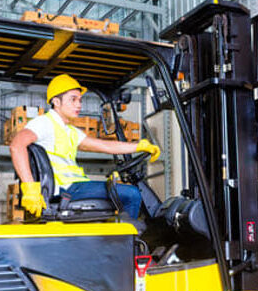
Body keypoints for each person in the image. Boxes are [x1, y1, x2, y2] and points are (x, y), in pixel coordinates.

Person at [10, 73, 160, 220]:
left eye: (80, 100)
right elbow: (17, 145)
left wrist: (139, 146)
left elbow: (104, 145)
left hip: (74, 186)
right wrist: (30, 189)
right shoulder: (44, 123)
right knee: (132, 194)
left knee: (121, 195)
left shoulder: (68, 130)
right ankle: (129, 241)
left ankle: (118, 238)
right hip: (66, 189)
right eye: (73, 99)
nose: (78, 105)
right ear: (56, 102)